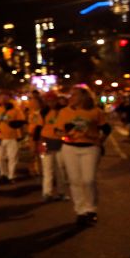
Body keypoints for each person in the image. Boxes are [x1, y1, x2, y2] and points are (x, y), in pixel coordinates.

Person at [54, 85, 110, 226]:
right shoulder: (64, 112)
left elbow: (106, 128)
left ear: (83, 97)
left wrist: (100, 141)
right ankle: (80, 211)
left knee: (88, 180)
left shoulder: (95, 111)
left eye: (74, 95)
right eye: (70, 95)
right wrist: (63, 135)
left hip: (90, 148)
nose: (70, 98)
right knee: (74, 180)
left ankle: (91, 209)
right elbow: (57, 130)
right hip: (70, 148)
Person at [36, 92, 69, 201]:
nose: (51, 103)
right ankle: (47, 193)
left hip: (61, 143)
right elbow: (38, 128)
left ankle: (61, 192)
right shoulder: (43, 112)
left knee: (60, 169)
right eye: (48, 101)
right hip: (47, 142)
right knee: (47, 170)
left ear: (57, 100)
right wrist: (38, 142)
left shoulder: (63, 111)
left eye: (53, 100)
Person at [0, 93, 26, 182]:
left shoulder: (15, 110)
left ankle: (12, 175)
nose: (3, 100)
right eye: (1, 98)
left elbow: (21, 122)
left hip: (12, 137)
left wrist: (14, 125)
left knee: (13, 157)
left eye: (5, 98)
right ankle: (3, 173)